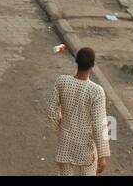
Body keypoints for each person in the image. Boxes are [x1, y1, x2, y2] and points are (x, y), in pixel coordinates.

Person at [47, 46, 110, 176]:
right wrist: (102, 156)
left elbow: (51, 111)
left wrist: (60, 129)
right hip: (85, 147)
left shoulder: (62, 81)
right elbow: (99, 124)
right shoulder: (96, 91)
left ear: (76, 62)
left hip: (65, 142)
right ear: (93, 65)